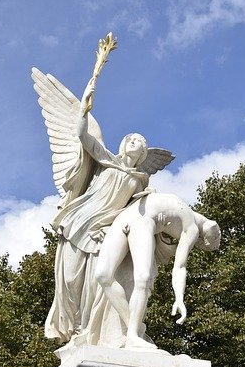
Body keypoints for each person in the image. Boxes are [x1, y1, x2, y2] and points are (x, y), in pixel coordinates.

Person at [32, 67, 174, 345]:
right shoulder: (105, 159)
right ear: (124, 145)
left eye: (142, 144)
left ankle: (86, 333)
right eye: (133, 140)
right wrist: (83, 109)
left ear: (144, 155)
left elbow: (135, 211)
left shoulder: (141, 180)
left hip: (103, 232)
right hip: (78, 222)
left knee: (96, 285)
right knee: (70, 281)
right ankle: (71, 330)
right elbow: (84, 136)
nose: (138, 144)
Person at [94, 193, 221, 349]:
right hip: (135, 219)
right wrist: (179, 299)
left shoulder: (178, 201)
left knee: (137, 278)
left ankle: (133, 334)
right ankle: (134, 331)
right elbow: (180, 267)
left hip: (131, 218)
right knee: (104, 275)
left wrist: (179, 298)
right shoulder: (192, 228)